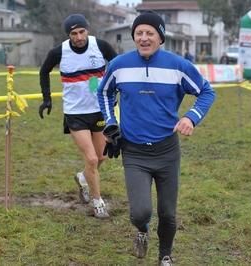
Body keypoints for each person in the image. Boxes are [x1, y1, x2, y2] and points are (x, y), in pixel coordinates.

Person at [97, 10, 216, 266]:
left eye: (149, 33)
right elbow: (104, 94)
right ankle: (142, 230)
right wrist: (111, 122)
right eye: (138, 33)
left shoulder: (178, 65)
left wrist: (191, 117)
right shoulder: (119, 64)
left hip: (167, 151)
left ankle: (165, 255)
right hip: (134, 151)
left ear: (160, 37)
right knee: (141, 212)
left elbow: (206, 92)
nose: (143, 38)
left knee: (168, 214)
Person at [38, 14, 118, 219]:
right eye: (74, 33)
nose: (79, 37)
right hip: (75, 113)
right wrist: (47, 98)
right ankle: (97, 202)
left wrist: (115, 92)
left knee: (101, 157)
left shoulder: (100, 46)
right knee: (91, 158)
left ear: (87, 30)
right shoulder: (59, 52)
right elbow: (44, 71)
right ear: (68, 35)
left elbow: (118, 67)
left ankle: (82, 178)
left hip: (98, 110)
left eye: (82, 32)